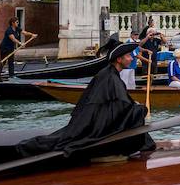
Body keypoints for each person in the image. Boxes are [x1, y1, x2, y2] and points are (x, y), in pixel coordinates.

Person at [15, 42, 151, 159]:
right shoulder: (111, 77)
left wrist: (133, 105)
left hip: (91, 118)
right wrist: (140, 108)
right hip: (95, 123)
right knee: (138, 112)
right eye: (128, 56)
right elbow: (121, 107)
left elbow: (116, 104)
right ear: (119, 59)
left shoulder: (108, 74)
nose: (131, 58)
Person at [0, 17, 35, 82]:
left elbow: (24, 32)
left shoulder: (17, 28)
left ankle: (11, 75)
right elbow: (13, 39)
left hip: (11, 47)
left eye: (18, 22)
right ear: (12, 23)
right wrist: (20, 43)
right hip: (5, 47)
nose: (18, 23)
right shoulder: (9, 30)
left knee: (11, 61)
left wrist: (32, 34)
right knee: (3, 61)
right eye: (17, 22)